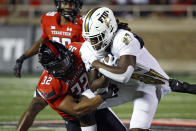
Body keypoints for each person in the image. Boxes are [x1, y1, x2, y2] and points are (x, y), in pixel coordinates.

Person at [15, 1, 127, 131]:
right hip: (62, 80)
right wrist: (23, 57)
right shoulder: (48, 19)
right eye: (66, 3)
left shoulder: (82, 33)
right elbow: (43, 41)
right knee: (37, 104)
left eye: (72, 4)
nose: (69, 7)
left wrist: (124, 38)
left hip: (81, 65)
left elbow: (98, 41)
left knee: (91, 105)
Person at [80, 7, 171, 131]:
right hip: (121, 86)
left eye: (96, 37)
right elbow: (96, 89)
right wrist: (105, 75)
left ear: (109, 29)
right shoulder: (87, 48)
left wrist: (97, 64)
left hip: (146, 85)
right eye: (89, 38)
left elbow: (124, 74)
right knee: (83, 107)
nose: (92, 43)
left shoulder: (124, 38)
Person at [27, 40, 118, 131]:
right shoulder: (49, 86)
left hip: (96, 104)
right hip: (75, 119)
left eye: (65, 61)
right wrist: (103, 96)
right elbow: (77, 110)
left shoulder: (79, 50)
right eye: (59, 66)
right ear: (49, 69)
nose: (66, 66)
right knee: (84, 112)